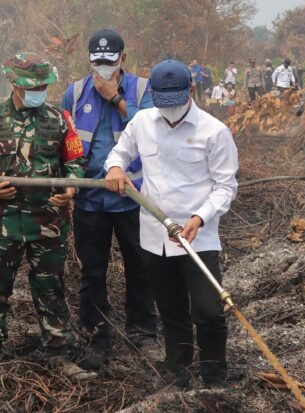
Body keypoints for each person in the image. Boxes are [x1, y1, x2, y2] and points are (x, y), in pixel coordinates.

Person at [104, 59, 238, 389]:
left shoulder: (214, 132)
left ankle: (214, 374)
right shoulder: (142, 122)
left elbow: (226, 186)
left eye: (177, 102)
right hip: (154, 235)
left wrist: (199, 217)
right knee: (170, 308)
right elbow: (118, 155)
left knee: (208, 310)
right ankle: (177, 370)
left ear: (191, 91)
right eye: (163, 103)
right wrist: (115, 169)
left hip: (198, 236)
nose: (170, 111)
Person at [0, 53, 93, 379]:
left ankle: (57, 354)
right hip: (3, 223)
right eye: (32, 85)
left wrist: (70, 189)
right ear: (14, 84)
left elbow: (75, 162)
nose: (39, 90)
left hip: (48, 222)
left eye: (42, 85)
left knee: (51, 289)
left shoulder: (59, 119)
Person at [60, 29, 159, 370]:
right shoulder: (73, 94)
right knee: (92, 271)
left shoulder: (144, 89)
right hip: (89, 201)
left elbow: (152, 132)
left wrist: (116, 98)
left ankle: (144, 332)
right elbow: (66, 142)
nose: (103, 68)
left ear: (123, 60)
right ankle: (96, 336)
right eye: (97, 62)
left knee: (141, 267)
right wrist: (68, 186)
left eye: (110, 62)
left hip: (132, 198)